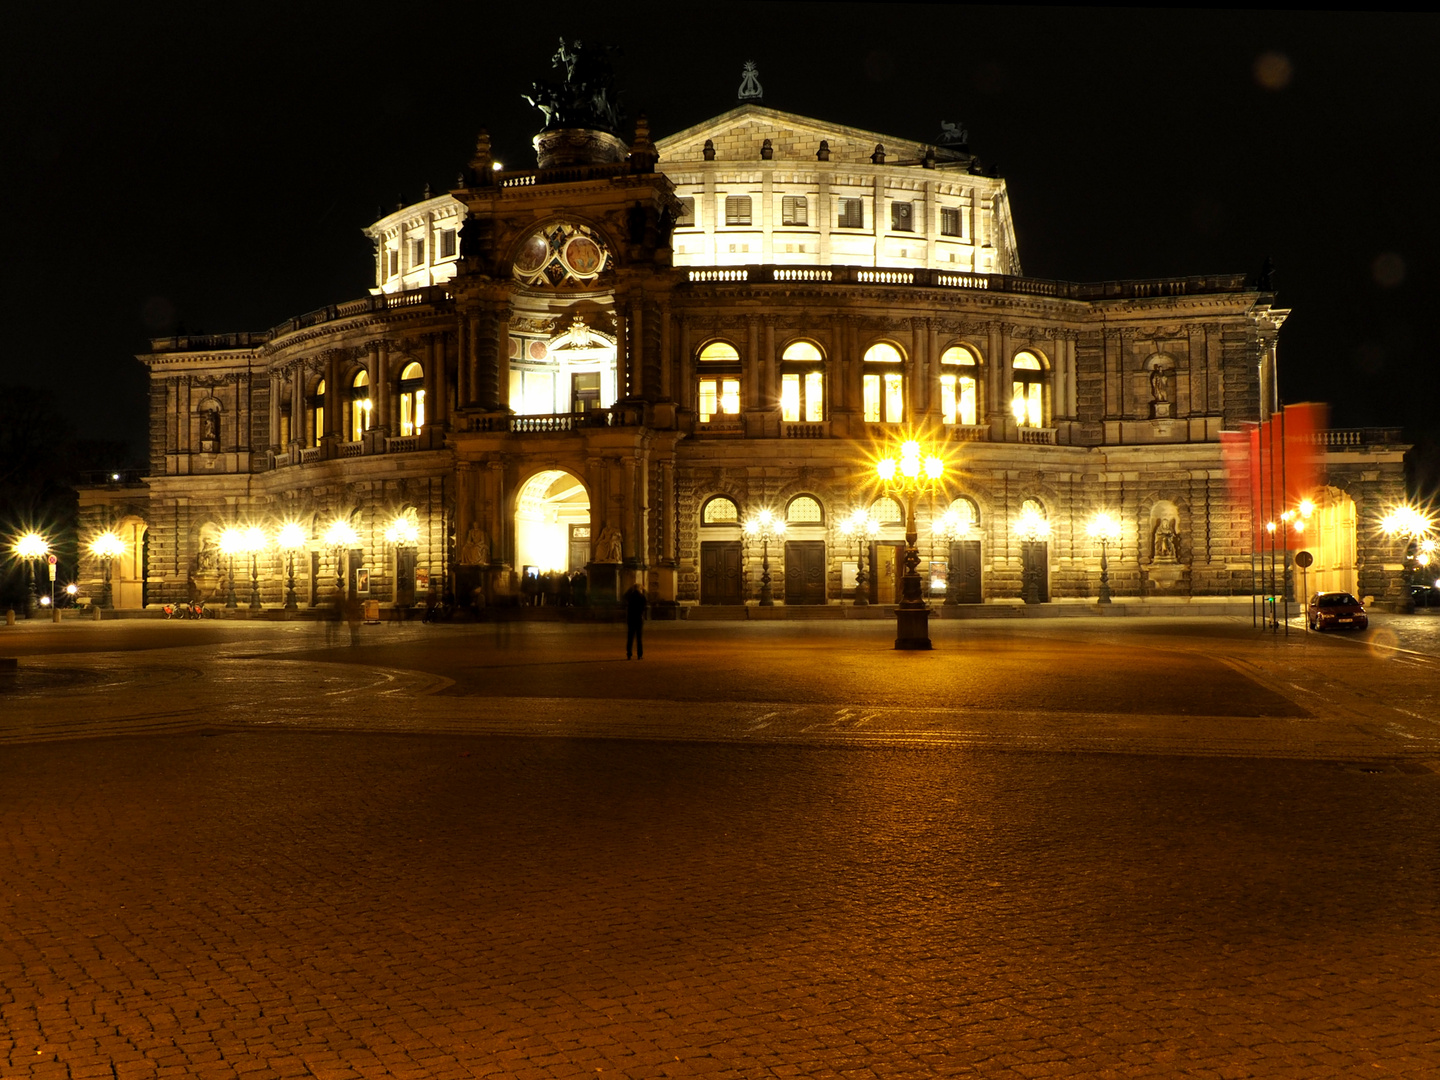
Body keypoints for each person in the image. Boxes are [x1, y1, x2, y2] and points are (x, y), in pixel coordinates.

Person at [623, 582, 648, 659]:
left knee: (630, 637)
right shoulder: (642, 597)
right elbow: (645, 605)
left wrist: (631, 588)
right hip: (638, 618)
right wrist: (644, 590)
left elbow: (624, 596)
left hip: (631, 618)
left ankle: (629, 654)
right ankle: (639, 654)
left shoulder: (630, 596)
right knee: (639, 638)